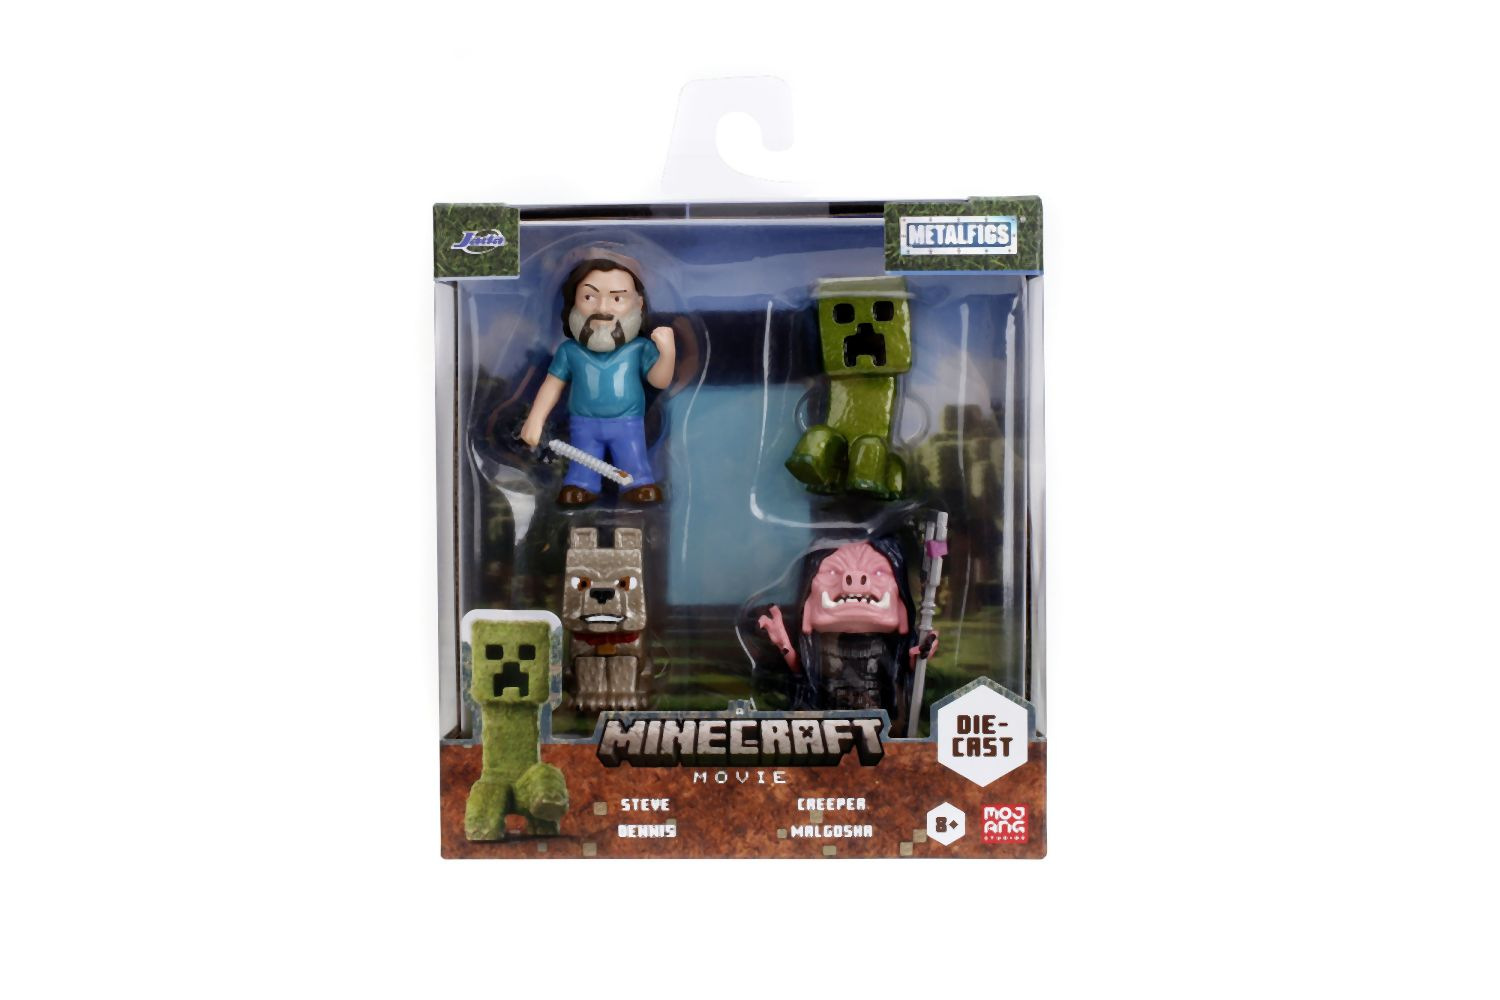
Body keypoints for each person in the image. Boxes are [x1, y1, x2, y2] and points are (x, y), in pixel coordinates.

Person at [519, 253, 675, 506]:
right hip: (584, 423)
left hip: (628, 423)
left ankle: (638, 483)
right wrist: (535, 420)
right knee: (583, 462)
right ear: (573, 302)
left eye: (617, 298)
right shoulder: (570, 351)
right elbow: (552, 385)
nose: (603, 309)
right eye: (589, 297)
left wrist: (667, 351)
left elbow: (659, 381)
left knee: (633, 457)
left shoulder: (639, 349)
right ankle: (582, 485)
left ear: (638, 304)